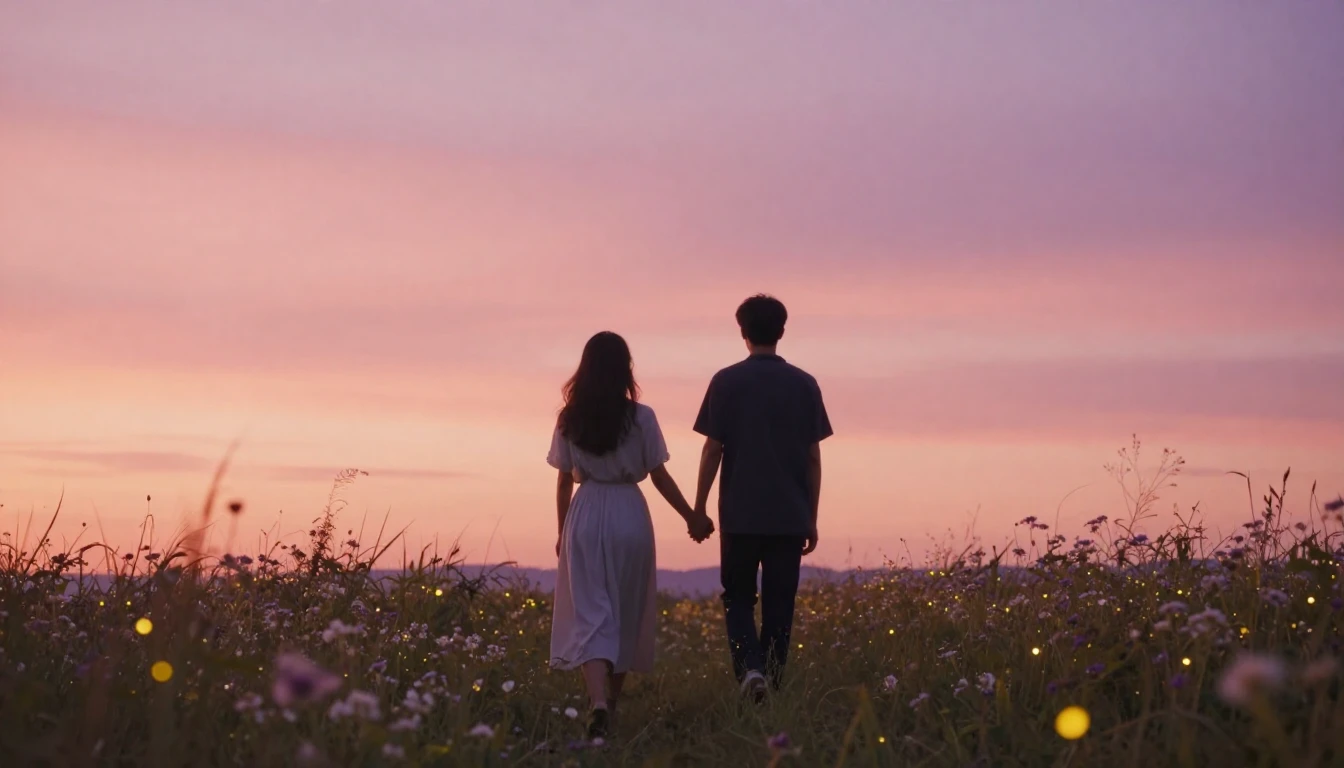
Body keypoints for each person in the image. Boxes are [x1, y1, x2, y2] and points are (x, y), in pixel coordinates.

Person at [547, 331, 715, 740]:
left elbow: (563, 482)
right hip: (629, 514)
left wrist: (561, 532)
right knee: (622, 611)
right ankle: (610, 708)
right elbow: (659, 476)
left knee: (590, 613)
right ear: (625, 369)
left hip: (585, 515)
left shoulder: (570, 417)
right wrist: (692, 517)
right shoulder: (642, 417)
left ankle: (598, 704)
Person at [692, 294, 833, 700]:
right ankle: (770, 682)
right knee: (779, 606)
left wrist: (699, 508)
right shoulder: (805, 384)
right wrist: (812, 516)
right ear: (782, 332)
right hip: (789, 515)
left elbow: (712, 450)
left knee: (737, 598)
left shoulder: (726, 381)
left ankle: (750, 671)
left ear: (743, 332)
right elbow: (813, 457)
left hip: (740, 514)